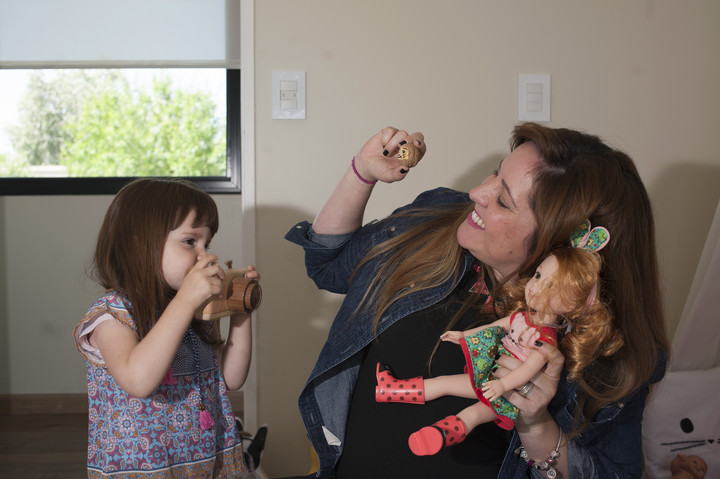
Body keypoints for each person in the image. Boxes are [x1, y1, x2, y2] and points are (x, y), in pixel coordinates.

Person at [284, 124, 669, 478]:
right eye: (496, 173)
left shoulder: (602, 347)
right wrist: (362, 173)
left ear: (558, 247)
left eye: (502, 200)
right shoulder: (433, 220)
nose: (477, 194)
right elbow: (328, 265)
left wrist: (536, 425)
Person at [73, 178, 256, 478]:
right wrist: (185, 301)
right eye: (190, 241)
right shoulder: (112, 315)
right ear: (137, 243)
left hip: (207, 462)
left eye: (206, 244)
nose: (205, 256)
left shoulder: (193, 311)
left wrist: (241, 311)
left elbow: (231, 378)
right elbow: (138, 379)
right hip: (146, 469)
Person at [377, 243, 621, 465]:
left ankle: (440, 434)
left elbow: (528, 370)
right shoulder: (521, 317)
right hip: (490, 375)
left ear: (572, 305)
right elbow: (496, 327)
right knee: (443, 383)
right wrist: (463, 336)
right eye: (537, 275)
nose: (534, 288)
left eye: (550, 286)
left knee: (473, 415)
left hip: (507, 394)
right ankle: (390, 390)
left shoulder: (545, 341)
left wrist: (502, 385)